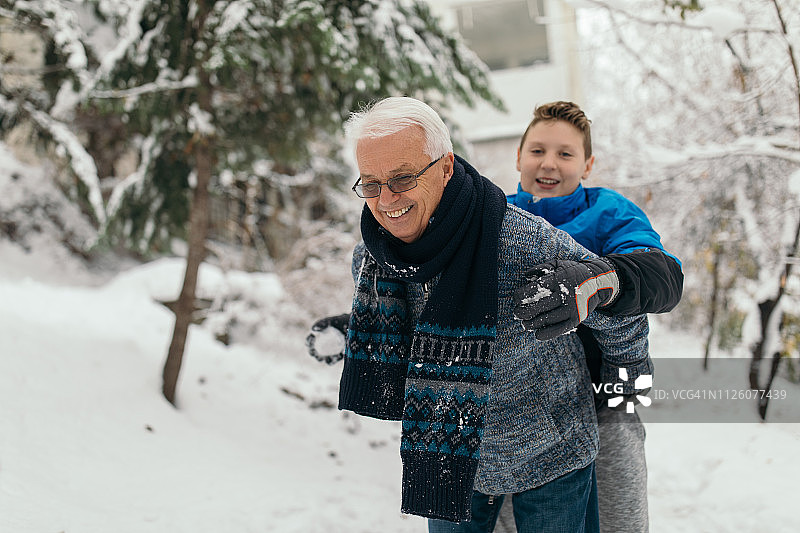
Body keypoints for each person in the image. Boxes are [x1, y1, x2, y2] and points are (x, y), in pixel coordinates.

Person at [316, 96, 652, 532]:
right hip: (448, 449)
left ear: (445, 168)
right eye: (371, 184)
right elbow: (411, 329)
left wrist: (625, 386)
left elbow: (619, 310)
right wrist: (354, 332)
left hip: (552, 451)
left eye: (402, 178)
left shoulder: (521, 243)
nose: (386, 199)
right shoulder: (372, 260)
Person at [506, 101, 682, 533]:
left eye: (565, 154)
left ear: (587, 164)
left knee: (617, 519)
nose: (549, 163)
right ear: (519, 157)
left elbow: (664, 276)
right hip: (519, 412)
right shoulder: (496, 218)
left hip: (606, 396)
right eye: (537, 151)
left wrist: (599, 278)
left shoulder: (609, 212)